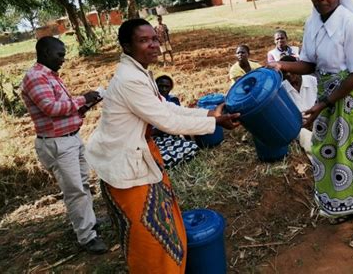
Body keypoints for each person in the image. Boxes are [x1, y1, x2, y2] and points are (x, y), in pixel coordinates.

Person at [85, 19, 239, 272]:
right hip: (126, 170)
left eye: (154, 38)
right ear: (126, 46)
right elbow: (166, 121)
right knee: (151, 243)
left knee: (161, 233)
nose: (153, 45)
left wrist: (208, 115)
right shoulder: (129, 80)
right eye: (144, 41)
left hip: (138, 162)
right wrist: (215, 123)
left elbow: (165, 107)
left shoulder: (139, 72)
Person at [268, 0, 353, 249]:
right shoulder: (313, 24)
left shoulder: (350, 23)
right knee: (330, 154)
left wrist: (322, 104)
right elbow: (310, 64)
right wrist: (281, 65)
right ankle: (350, 205)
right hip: (328, 99)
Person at [20, 36, 107, 254]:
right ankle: (86, 237)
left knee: (83, 185)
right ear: (46, 52)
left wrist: (86, 105)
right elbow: (50, 107)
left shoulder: (50, 76)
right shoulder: (35, 77)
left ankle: (89, 224)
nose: (63, 59)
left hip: (70, 138)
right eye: (60, 54)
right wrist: (82, 98)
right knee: (74, 190)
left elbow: (62, 110)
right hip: (58, 144)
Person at [153, 74, 200, 169]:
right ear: (155, 86)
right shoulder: (149, 101)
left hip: (172, 137)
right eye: (160, 86)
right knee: (157, 156)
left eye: (167, 87)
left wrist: (188, 139)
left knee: (192, 146)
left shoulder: (173, 100)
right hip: (156, 139)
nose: (164, 89)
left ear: (171, 88)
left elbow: (180, 119)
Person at [280, 55, 317, 154]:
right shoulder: (282, 90)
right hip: (299, 126)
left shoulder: (312, 81)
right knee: (307, 138)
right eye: (284, 72)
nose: (288, 74)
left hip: (318, 119)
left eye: (291, 69)